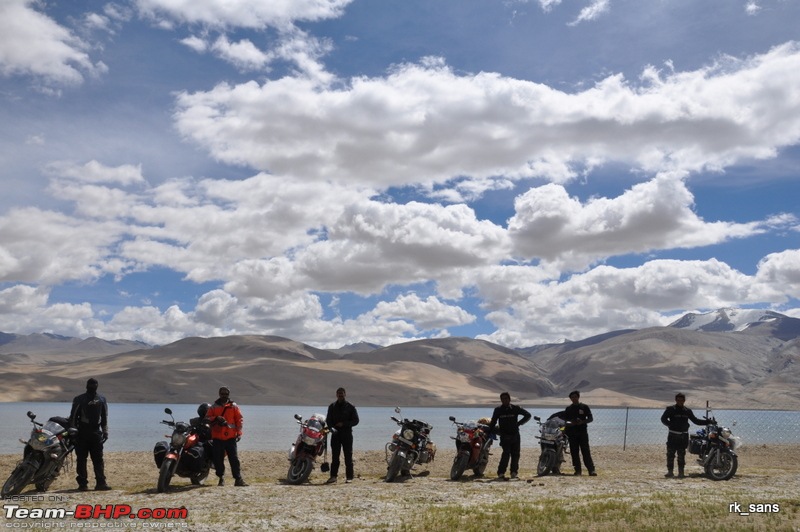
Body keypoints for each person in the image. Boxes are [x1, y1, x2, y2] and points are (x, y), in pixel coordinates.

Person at [69, 378, 111, 491]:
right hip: (82, 432)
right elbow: (73, 416)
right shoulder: (79, 399)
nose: (93, 386)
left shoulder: (101, 399)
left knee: (98, 459)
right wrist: (73, 432)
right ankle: (83, 484)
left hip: (96, 433)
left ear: (97, 386)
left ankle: (101, 483)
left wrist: (105, 431)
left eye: (94, 384)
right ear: (87, 386)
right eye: (91, 384)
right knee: (82, 459)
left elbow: (104, 417)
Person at [660, 392, 711, 478]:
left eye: (681, 400)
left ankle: (681, 472)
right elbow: (663, 419)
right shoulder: (670, 409)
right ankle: (670, 472)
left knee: (681, 455)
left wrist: (708, 422)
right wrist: (670, 425)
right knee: (670, 454)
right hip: (673, 435)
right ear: (676, 400)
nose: (680, 401)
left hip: (683, 436)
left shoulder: (687, 411)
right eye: (678, 400)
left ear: (684, 400)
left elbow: (696, 421)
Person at [206, 386, 247, 487]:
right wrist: (216, 418)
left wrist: (239, 433)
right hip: (217, 437)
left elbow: (239, 420)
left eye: (226, 393)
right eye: (222, 393)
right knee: (218, 459)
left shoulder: (234, 406)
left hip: (231, 437)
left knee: (234, 459)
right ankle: (221, 478)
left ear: (229, 394)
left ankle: (238, 479)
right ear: (219, 394)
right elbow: (207, 418)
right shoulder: (213, 407)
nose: (224, 395)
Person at [488, 392, 531, 479]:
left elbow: (528, 415)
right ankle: (501, 473)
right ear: (501, 400)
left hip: (515, 434)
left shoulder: (515, 408)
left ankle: (514, 472)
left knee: (515, 454)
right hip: (504, 435)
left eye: (506, 398)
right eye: (503, 399)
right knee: (506, 453)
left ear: (509, 399)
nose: (504, 400)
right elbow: (493, 422)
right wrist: (489, 431)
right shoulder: (498, 410)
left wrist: (519, 423)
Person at [325, 387, 360, 484]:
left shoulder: (351, 407)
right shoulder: (332, 406)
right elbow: (328, 420)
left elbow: (356, 421)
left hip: (347, 434)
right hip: (335, 435)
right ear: (336, 395)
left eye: (342, 393)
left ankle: (349, 477)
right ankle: (333, 477)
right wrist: (331, 428)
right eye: (339, 393)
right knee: (335, 457)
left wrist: (344, 424)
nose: (340, 395)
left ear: (345, 394)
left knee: (348, 456)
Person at [562, 390, 596, 476]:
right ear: (570, 399)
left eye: (575, 397)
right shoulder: (568, 409)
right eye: (572, 397)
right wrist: (570, 423)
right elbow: (565, 421)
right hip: (572, 433)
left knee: (586, 451)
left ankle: (591, 470)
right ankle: (577, 471)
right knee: (574, 452)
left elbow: (591, 418)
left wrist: (582, 422)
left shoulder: (584, 407)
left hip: (582, 433)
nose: (574, 399)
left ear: (578, 397)